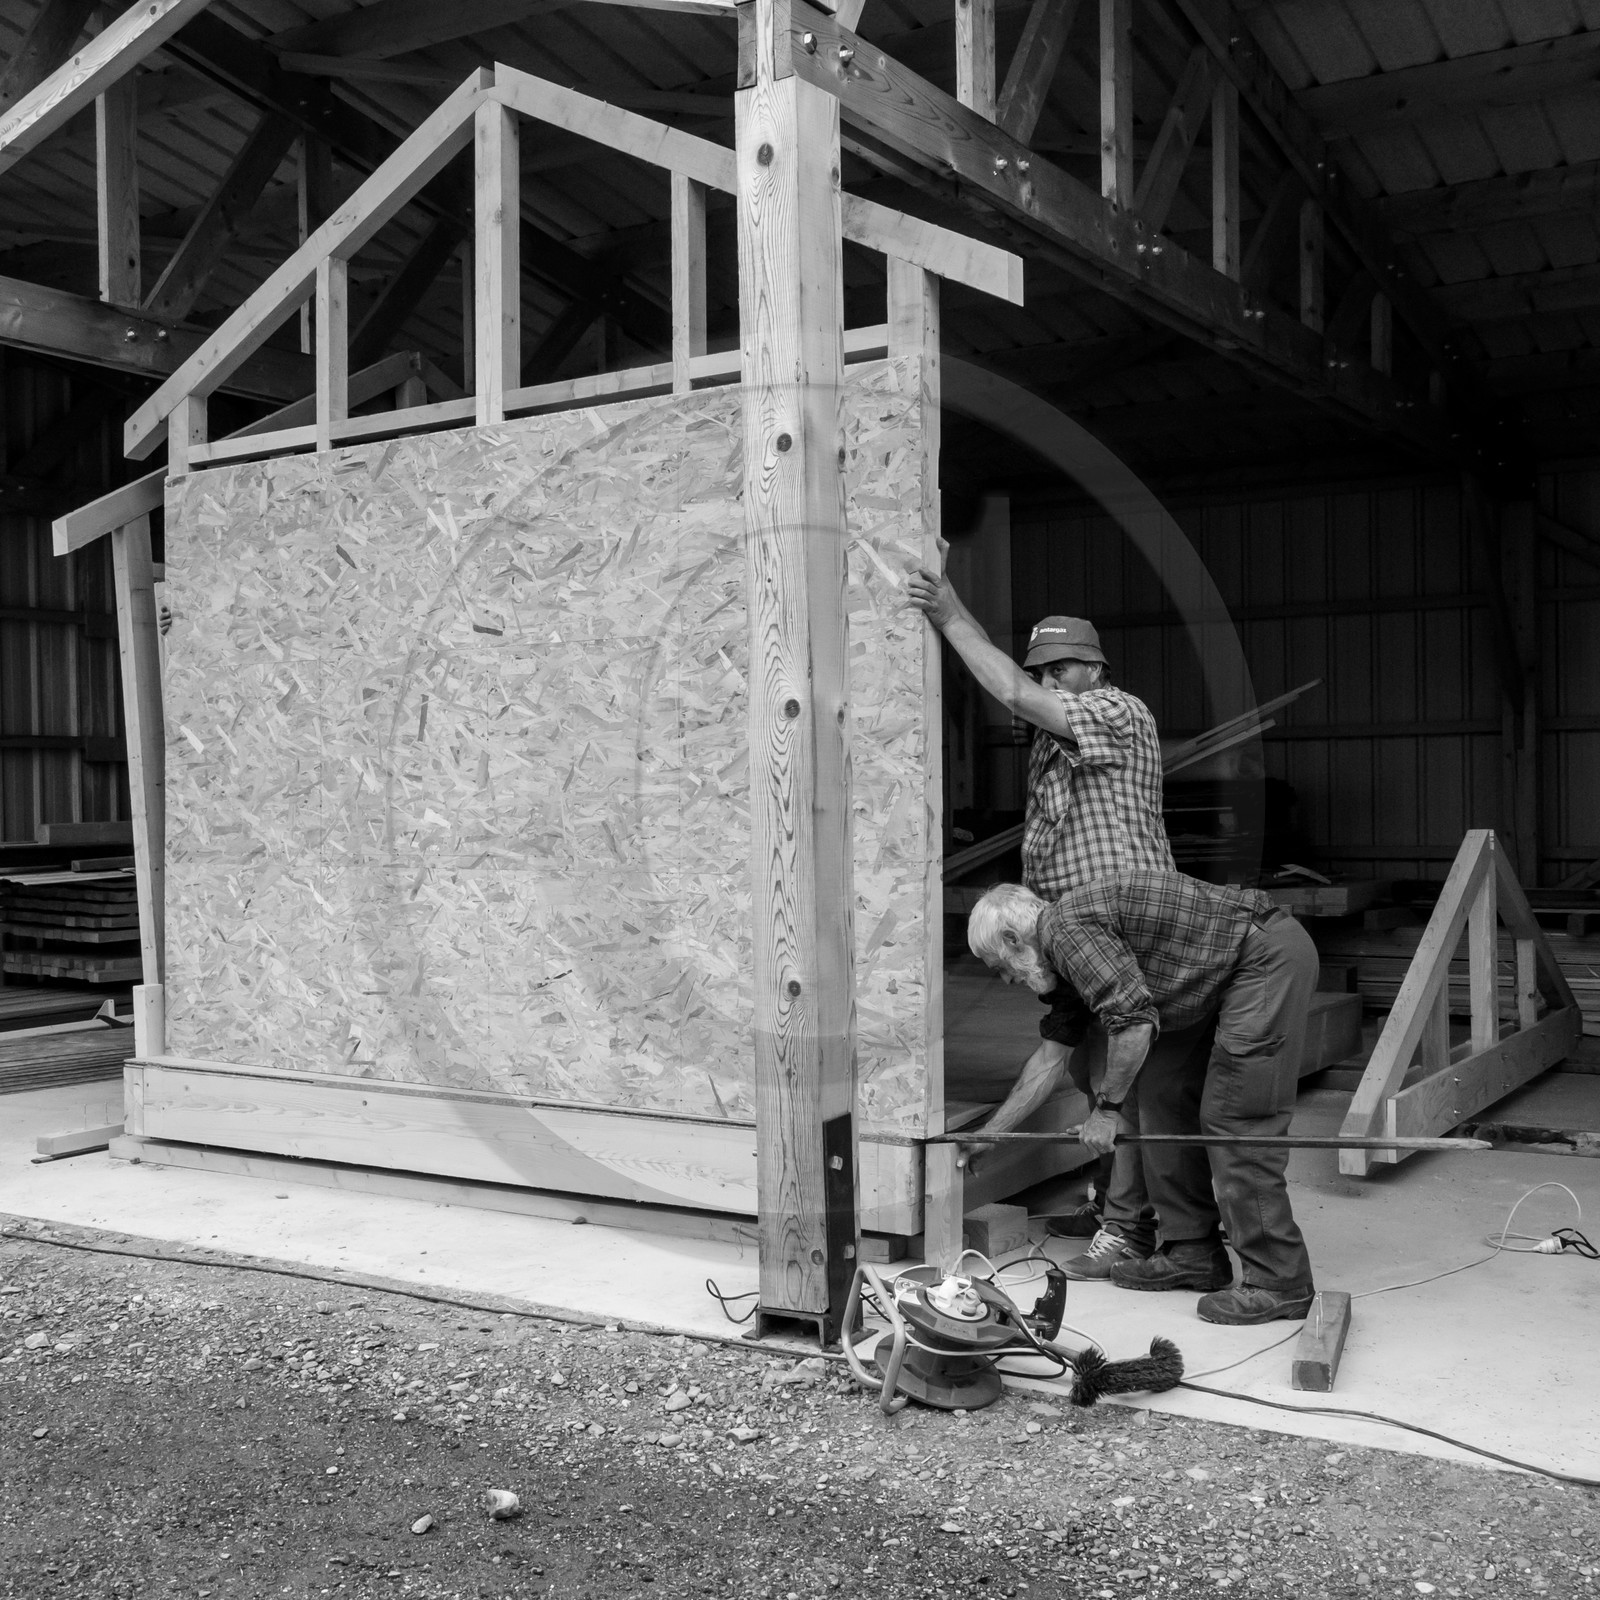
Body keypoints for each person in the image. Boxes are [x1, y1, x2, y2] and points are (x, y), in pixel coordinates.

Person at [907, 570, 1174, 1282]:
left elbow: (1011, 693)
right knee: (1084, 1071)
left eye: (1064, 668)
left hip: (1122, 928)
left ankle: (1131, 1231)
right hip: (1071, 935)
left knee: (1128, 1083)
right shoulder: (1050, 748)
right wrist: (989, 1135)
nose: (1051, 681)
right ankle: (1114, 1200)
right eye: (1044, 671)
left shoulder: (1118, 712)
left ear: (1097, 669)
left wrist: (953, 614)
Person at [965, 873, 1320, 1326]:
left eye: (999, 966)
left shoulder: (1069, 931)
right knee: (1161, 1094)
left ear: (1014, 939)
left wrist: (1105, 1112)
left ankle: (1280, 1281)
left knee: (1235, 1116)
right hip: (1218, 975)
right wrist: (989, 1135)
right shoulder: (1063, 960)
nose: (1006, 980)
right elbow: (1050, 1059)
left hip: (1264, 958)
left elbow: (1133, 1024)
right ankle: (1193, 1251)